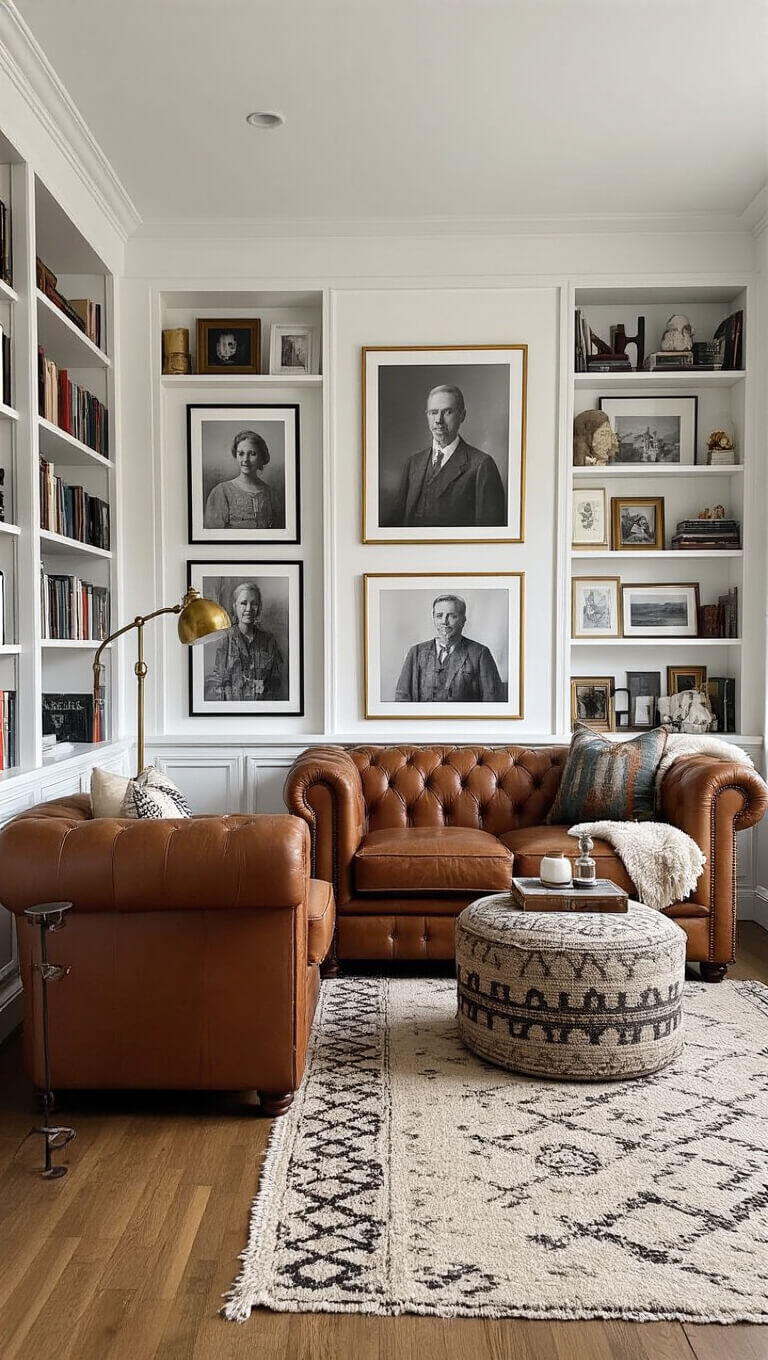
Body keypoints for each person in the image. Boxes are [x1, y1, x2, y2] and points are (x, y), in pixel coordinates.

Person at [389, 385, 506, 528]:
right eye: (433, 412)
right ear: (427, 415)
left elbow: (489, 534)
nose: (438, 420)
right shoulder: (413, 463)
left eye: (447, 412)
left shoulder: (482, 465)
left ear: (462, 416)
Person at [395, 593, 504, 702]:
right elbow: (402, 698)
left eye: (452, 616)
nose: (444, 622)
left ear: (463, 620)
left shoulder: (480, 653)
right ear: (433, 618)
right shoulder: (416, 652)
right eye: (439, 616)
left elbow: (493, 700)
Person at [206, 582, 282, 701]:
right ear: (234, 606)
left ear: (259, 607)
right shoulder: (224, 638)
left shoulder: (269, 641)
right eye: (243, 603)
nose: (248, 609)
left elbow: (276, 682)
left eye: (254, 604)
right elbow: (216, 681)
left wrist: (264, 689)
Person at [204, 429, 279, 530]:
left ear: (261, 456)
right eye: (241, 454)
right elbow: (213, 537)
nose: (245, 459)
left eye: (252, 453)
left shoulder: (272, 494)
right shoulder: (221, 492)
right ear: (236, 456)